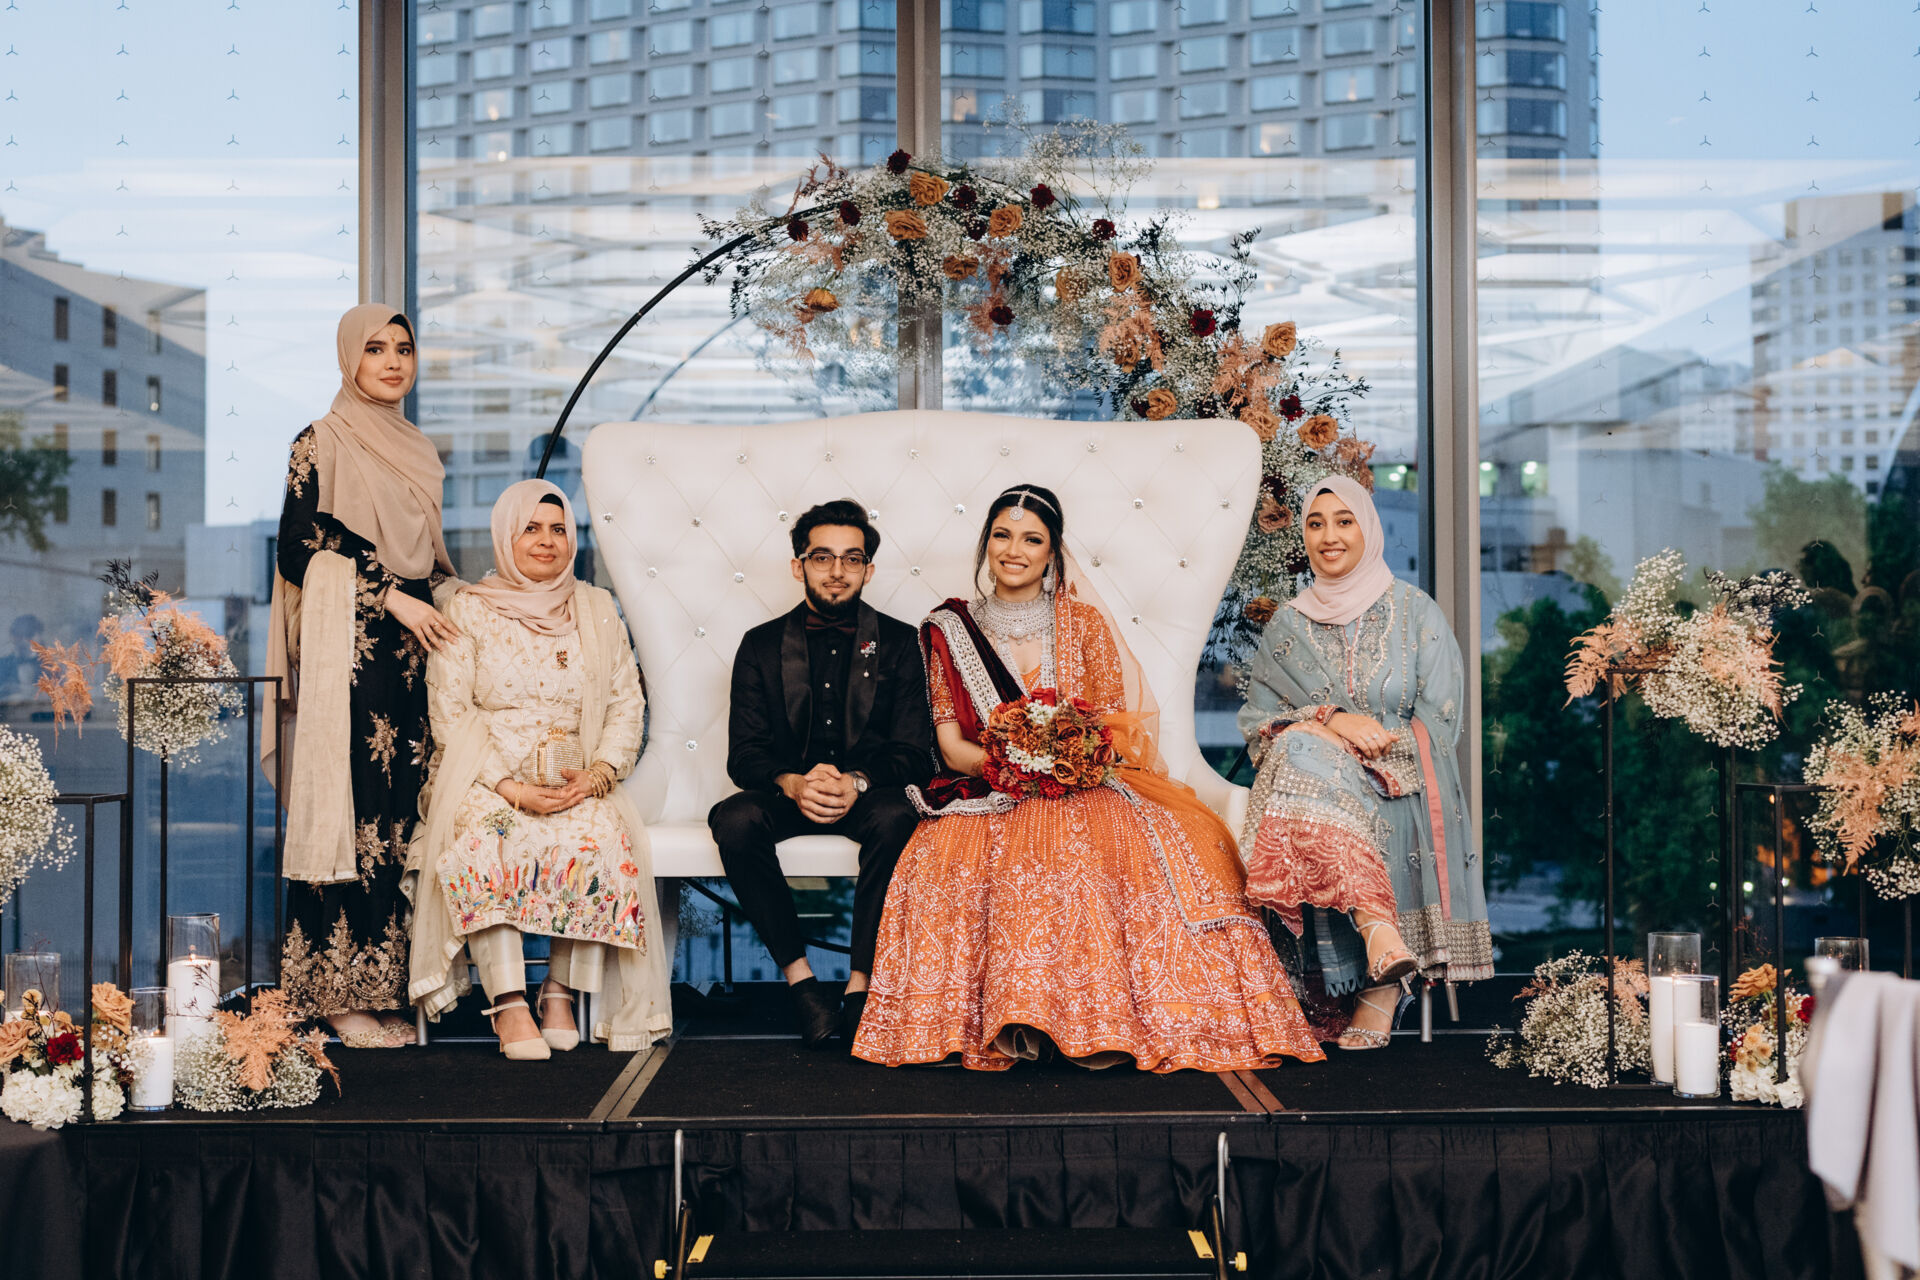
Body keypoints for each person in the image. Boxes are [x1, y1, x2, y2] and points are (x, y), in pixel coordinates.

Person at [853, 485, 1325, 1072]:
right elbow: (951, 747)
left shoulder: (1083, 623)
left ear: (1052, 553)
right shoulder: (946, 629)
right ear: (985, 544)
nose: (1014, 550)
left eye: (1032, 539)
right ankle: (1011, 1016)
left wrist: (1067, 759)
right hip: (989, 786)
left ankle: (1109, 1019)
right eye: (1002, 535)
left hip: (1085, 783)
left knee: (1140, 850)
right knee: (947, 863)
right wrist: (1012, 766)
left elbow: (1113, 726)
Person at [404, 480, 671, 1059]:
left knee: (600, 834)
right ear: (506, 537)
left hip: (574, 779)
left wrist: (599, 775)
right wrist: (510, 787)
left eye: (558, 529)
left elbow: (626, 701)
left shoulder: (596, 608)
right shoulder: (469, 609)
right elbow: (450, 709)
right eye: (531, 529)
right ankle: (508, 1000)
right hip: (486, 776)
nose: (546, 541)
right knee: (485, 836)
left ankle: (559, 990)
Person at [1236, 476, 1489, 1050]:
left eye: (1344, 521)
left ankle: (1379, 974)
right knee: (1299, 748)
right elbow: (1259, 724)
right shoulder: (1287, 625)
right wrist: (1332, 721)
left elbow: (1442, 720)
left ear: (1368, 530)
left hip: (1400, 778)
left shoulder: (1415, 612)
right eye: (1316, 523)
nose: (1329, 536)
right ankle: (1381, 944)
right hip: (1309, 784)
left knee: (1305, 755)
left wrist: (1362, 748)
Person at [266, 304, 458, 1048]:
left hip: (411, 659)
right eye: (375, 348)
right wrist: (388, 594)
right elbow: (297, 545)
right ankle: (333, 997)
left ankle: (385, 988)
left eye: (403, 349)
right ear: (350, 358)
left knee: (400, 820)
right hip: (349, 652)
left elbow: (428, 560)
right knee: (347, 812)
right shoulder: (320, 439)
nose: (392, 361)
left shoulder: (418, 449)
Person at [708, 500, 933, 1048]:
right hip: (791, 793)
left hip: (869, 795)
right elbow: (745, 756)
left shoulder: (901, 642)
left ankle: (860, 986)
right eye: (822, 557)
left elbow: (914, 754)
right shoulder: (760, 644)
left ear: (868, 571)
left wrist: (856, 781)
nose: (837, 570)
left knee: (899, 816)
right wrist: (792, 782)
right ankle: (802, 983)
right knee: (733, 820)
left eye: (852, 559)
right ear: (798, 565)